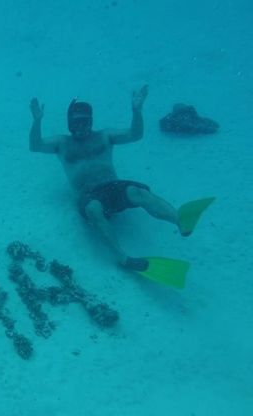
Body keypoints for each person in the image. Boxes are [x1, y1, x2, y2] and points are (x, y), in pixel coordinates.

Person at [28, 86, 214, 288]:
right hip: (88, 194)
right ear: (69, 123)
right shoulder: (61, 143)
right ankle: (121, 257)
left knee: (139, 192)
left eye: (84, 120)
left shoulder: (105, 136)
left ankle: (179, 220)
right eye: (76, 121)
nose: (80, 125)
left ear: (91, 120)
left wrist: (137, 110)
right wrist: (37, 121)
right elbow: (35, 145)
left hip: (113, 186)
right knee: (93, 209)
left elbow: (135, 134)